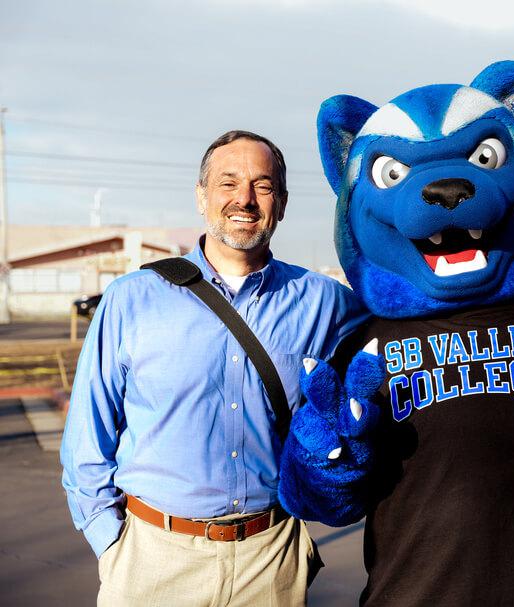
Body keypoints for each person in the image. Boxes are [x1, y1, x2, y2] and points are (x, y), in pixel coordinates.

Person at [60, 130, 369, 606]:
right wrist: (112, 544)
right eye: (228, 183)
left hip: (270, 559)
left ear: (281, 203)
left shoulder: (324, 301)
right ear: (202, 197)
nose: (244, 199)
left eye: (263, 186)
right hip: (153, 558)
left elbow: (400, 338)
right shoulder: (132, 300)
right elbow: (87, 437)